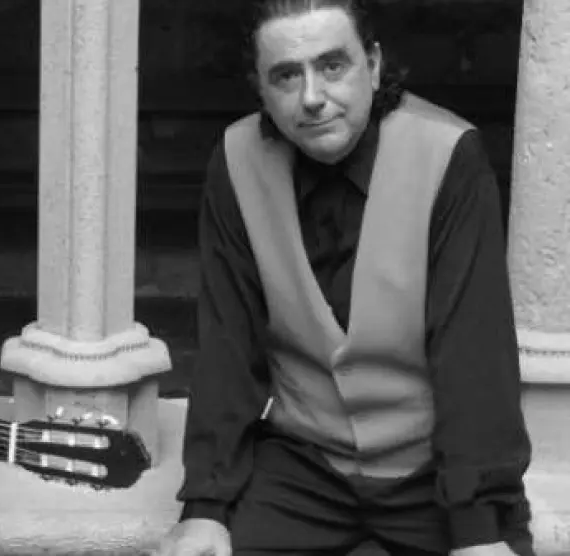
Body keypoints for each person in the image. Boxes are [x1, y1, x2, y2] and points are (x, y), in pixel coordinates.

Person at [154, 1, 534, 555]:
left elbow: (474, 353)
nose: (311, 97)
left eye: (332, 66)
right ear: (260, 89)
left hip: (434, 474)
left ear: (373, 66)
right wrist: (206, 508)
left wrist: (479, 531)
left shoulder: (449, 154)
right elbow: (227, 343)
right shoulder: (237, 160)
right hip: (302, 467)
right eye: (286, 76)